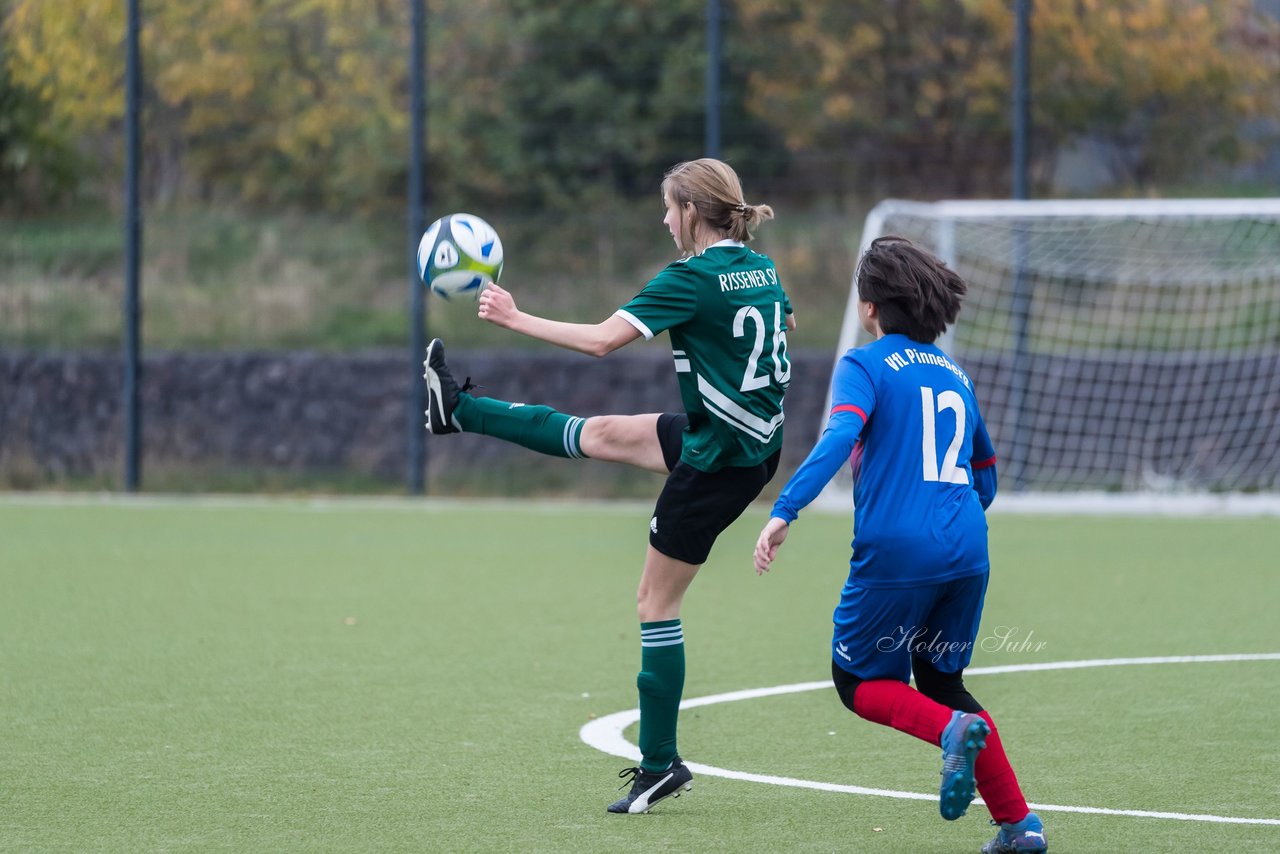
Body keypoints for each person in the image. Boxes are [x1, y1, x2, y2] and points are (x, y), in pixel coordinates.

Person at [423, 158, 795, 814]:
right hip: (747, 442)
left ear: (691, 212)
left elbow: (601, 341)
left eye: (668, 207)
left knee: (655, 605)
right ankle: (460, 411)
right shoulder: (759, 267)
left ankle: (658, 765)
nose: (663, 218)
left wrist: (514, 317)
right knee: (601, 433)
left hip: (717, 462)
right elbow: (783, 324)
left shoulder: (691, 278)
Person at [752, 236, 1047, 853]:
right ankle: (1018, 826)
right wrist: (950, 526)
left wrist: (785, 509)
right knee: (943, 681)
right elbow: (984, 472)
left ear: (869, 310)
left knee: (856, 682)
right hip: (968, 549)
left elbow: (838, 438)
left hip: (897, 551)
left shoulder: (863, 365)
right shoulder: (955, 373)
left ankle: (952, 734)